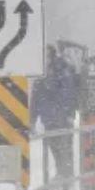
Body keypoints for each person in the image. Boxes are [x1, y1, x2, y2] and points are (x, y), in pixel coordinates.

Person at [31, 45, 81, 180]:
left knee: (64, 149)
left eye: (46, 56)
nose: (43, 59)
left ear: (51, 56)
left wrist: (70, 114)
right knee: (55, 149)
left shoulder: (62, 70)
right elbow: (35, 100)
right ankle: (62, 175)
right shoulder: (41, 74)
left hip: (62, 119)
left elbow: (69, 93)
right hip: (49, 119)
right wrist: (32, 121)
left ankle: (66, 178)